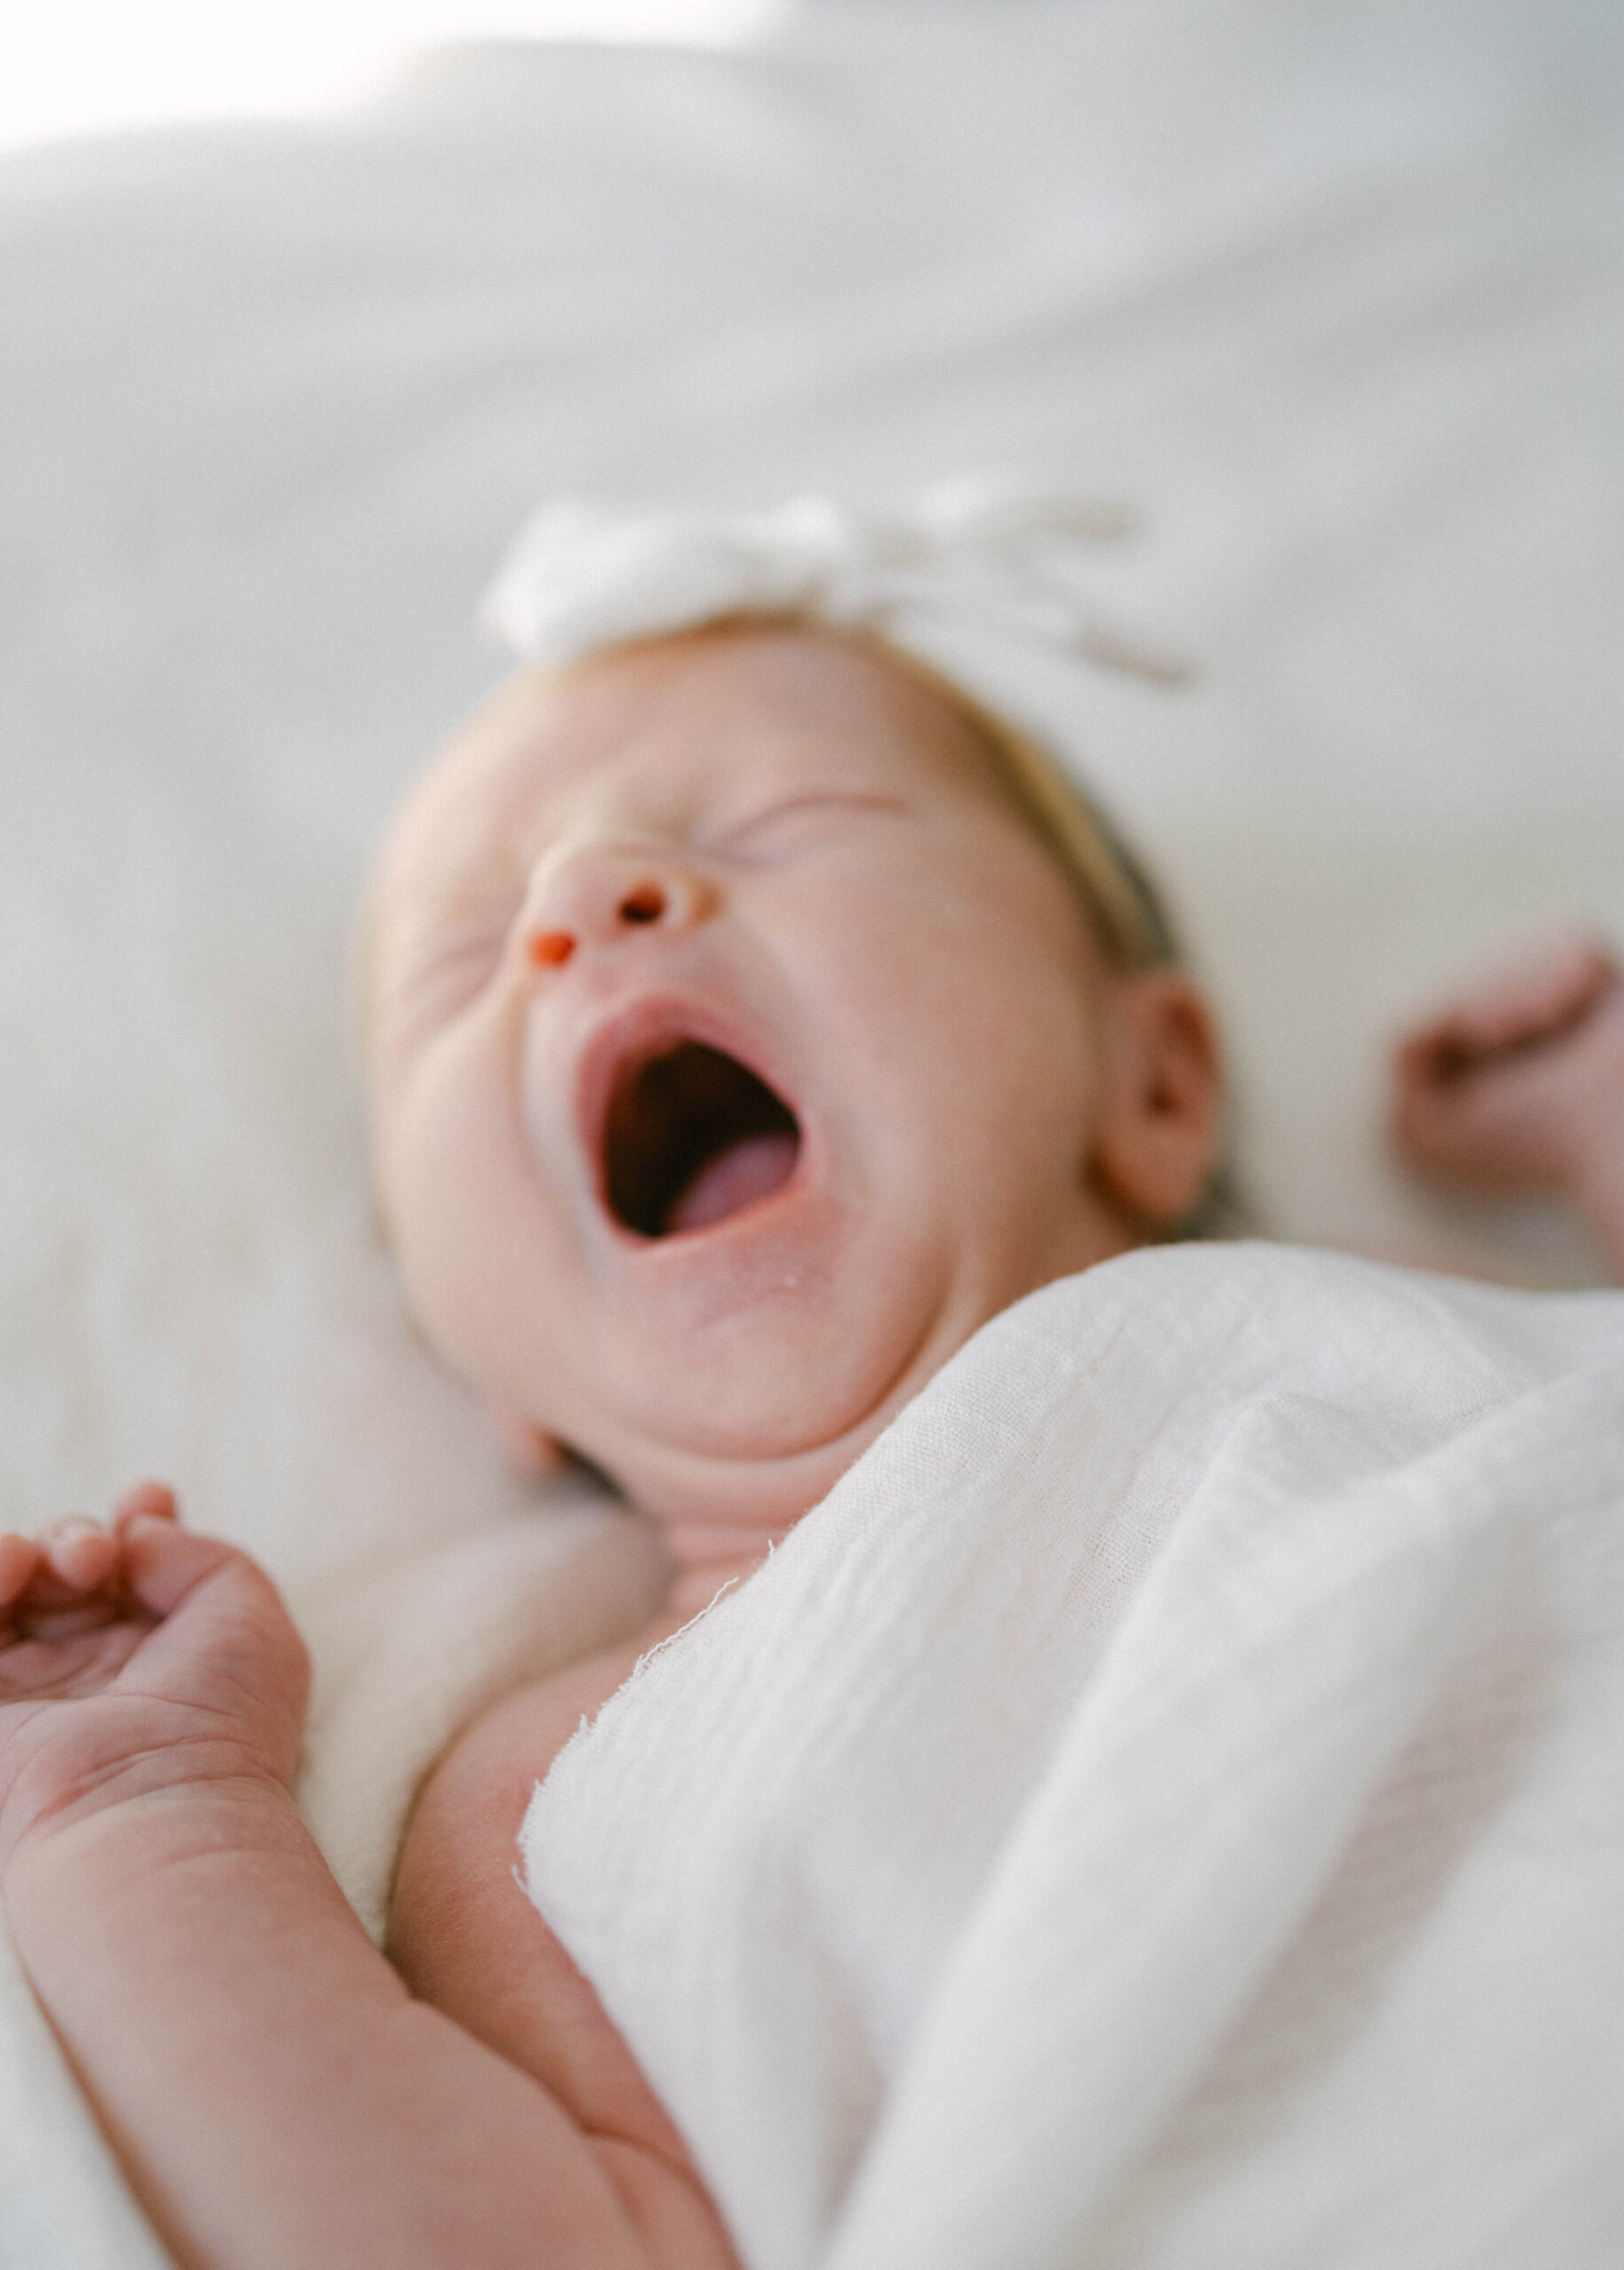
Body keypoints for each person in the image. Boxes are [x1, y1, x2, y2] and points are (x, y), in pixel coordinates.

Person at [1, 532, 1620, 2268]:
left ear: (1151, 1081)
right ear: (490, 1377)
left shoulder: (1381, 1319)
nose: (580, 899)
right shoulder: (550, 1789)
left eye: (777, 827)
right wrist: (147, 1813)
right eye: (466, 963)